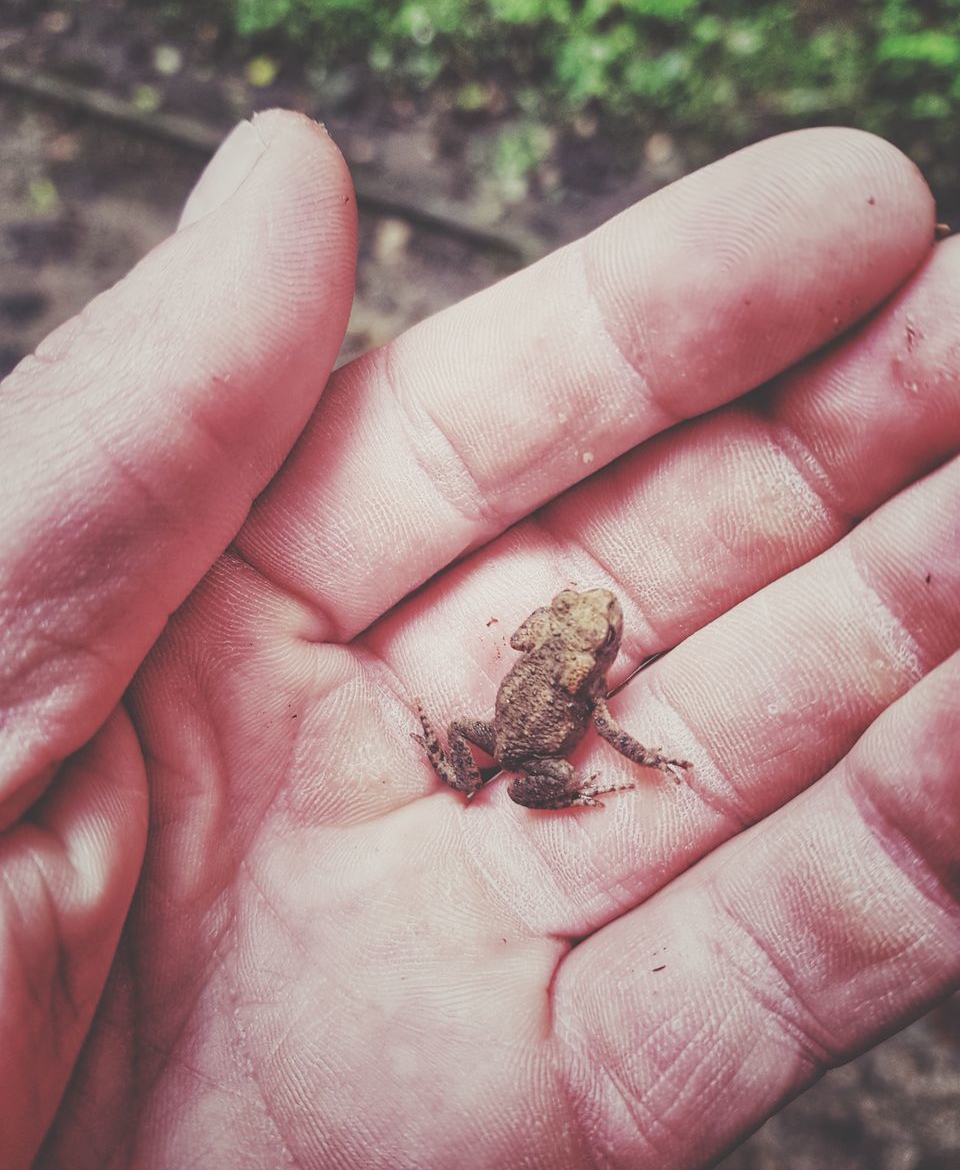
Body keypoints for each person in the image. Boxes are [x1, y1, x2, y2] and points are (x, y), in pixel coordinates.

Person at [2, 110, 957, 1169]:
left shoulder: (561, 671)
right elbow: (609, 728)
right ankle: (498, 772)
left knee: (494, 756)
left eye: (596, 634)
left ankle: (457, 758)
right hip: (519, 745)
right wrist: (608, 775)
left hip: (504, 732)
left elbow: (564, 683)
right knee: (518, 768)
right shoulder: (582, 693)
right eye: (592, 632)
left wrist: (572, 742)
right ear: (584, 654)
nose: (600, 638)